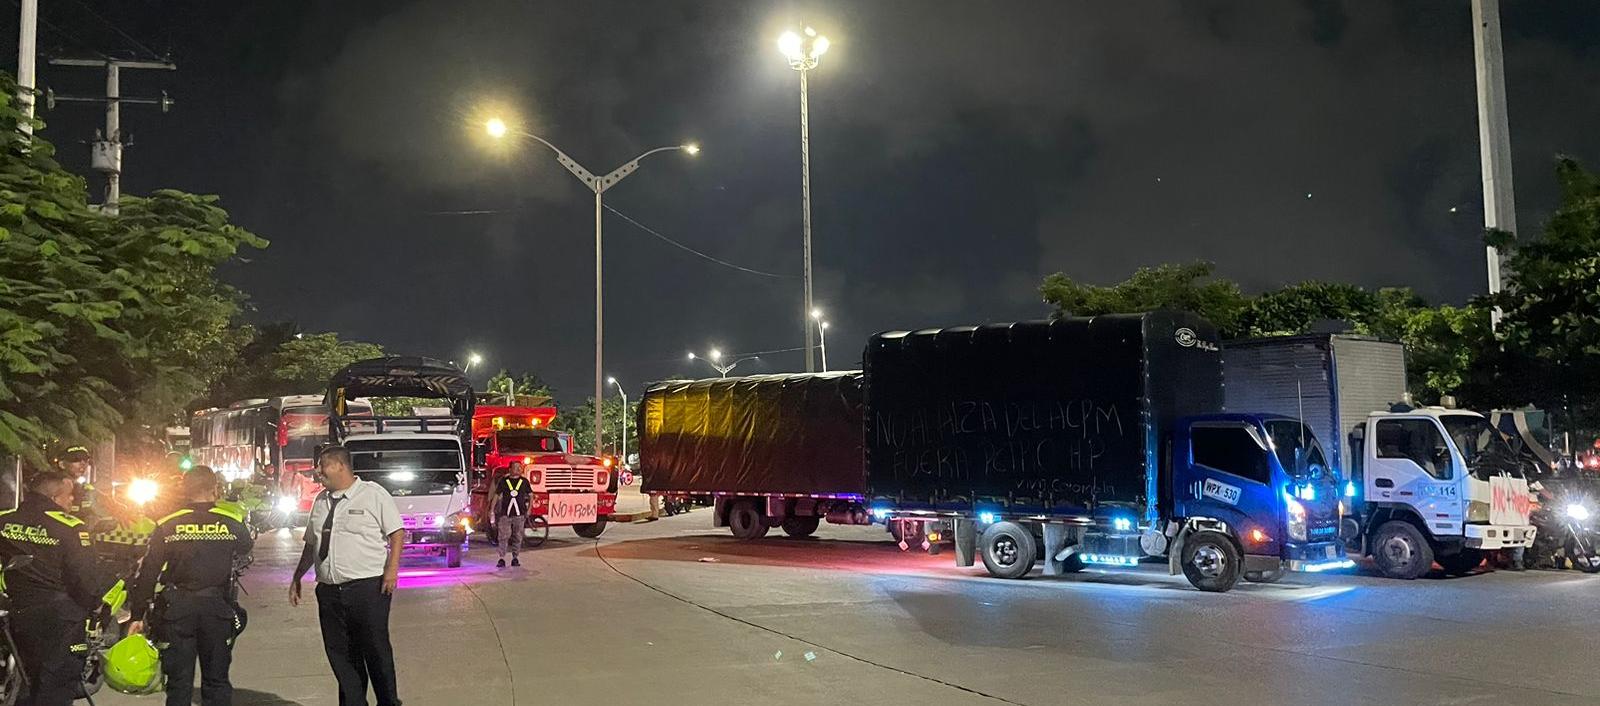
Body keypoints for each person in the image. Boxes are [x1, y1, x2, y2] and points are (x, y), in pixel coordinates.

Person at [126, 466, 254, 706]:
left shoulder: (167, 524)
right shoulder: (232, 520)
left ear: (185, 490)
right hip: (217, 610)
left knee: (179, 684)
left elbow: (148, 573)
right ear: (215, 488)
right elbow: (245, 549)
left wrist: (137, 614)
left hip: (177, 611)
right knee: (217, 681)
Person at [291, 446, 404, 706]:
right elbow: (312, 543)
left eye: (323, 465)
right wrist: (298, 575)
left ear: (341, 465)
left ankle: (388, 701)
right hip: (330, 592)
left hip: (367, 589)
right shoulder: (320, 501)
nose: (318, 471)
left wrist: (392, 569)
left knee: (375, 650)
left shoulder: (372, 495)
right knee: (341, 655)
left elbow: (396, 533)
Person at [0, 472, 126, 706]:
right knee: (56, 687)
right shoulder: (71, 528)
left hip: (18, 615)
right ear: (56, 497)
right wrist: (96, 606)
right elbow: (85, 581)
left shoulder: (4, 520)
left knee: (26, 685)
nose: (72, 502)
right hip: (60, 620)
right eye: (69, 496)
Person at [488, 461, 533, 568]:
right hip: (505, 514)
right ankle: (502, 558)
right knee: (503, 536)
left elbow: (531, 495)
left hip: (520, 514)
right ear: (510, 469)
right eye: (516, 467)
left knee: (517, 536)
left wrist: (530, 508)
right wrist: (491, 510)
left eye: (520, 467)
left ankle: (515, 557)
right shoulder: (504, 481)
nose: (518, 469)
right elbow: (496, 495)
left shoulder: (524, 481)